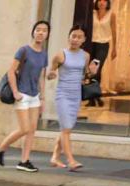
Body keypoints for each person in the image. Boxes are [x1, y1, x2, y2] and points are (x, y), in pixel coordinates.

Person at [0, 20, 50, 173]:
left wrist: (43, 97)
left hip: (35, 96)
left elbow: (41, 77)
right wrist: (16, 91)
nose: (41, 32)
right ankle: (0, 148)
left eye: (44, 30)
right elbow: (11, 71)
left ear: (47, 35)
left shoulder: (44, 54)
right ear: (33, 32)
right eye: (38, 29)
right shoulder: (23, 50)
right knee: (25, 128)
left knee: (32, 130)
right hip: (22, 94)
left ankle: (24, 161)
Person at [48, 25, 97, 171]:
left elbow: (84, 77)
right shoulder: (60, 55)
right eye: (73, 36)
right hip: (63, 95)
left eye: (79, 37)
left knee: (65, 128)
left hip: (76, 96)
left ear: (84, 40)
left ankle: (55, 157)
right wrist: (51, 75)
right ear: (68, 37)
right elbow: (51, 72)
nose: (75, 39)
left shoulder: (85, 56)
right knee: (67, 129)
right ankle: (71, 160)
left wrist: (92, 72)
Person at [86, 0, 114, 107]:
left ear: (107, 3)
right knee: (93, 71)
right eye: (99, 0)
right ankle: (94, 98)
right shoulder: (92, 13)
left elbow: (114, 31)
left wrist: (114, 48)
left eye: (104, 1)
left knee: (95, 69)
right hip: (91, 44)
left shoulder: (111, 14)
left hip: (103, 45)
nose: (101, 3)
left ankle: (94, 97)